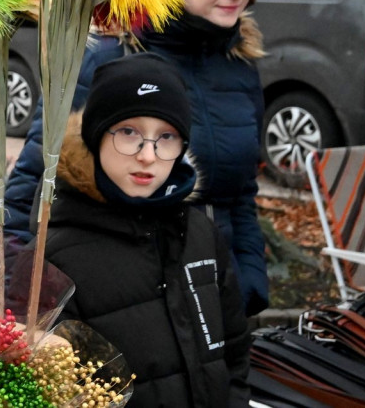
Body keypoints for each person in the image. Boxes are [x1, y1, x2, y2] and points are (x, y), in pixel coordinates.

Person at [5, 0, 270, 317]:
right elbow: (32, 189)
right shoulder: (109, 60)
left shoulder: (239, 67)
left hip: (215, 303)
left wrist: (247, 285)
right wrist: (24, 300)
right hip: (125, 311)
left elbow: (240, 197)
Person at [42, 53, 251, 407]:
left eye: (166, 136)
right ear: (95, 137)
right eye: (128, 132)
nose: (148, 156)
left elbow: (234, 350)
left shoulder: (200, 232)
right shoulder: (56, 259)